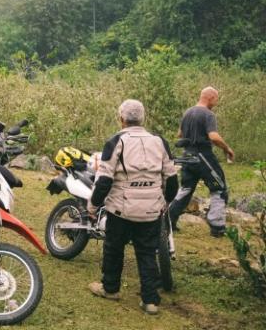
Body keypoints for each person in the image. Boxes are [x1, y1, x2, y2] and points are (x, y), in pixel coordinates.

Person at [87, 99, 178, 315]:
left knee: (113, 248)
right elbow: (173, 181)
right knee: (147, 252)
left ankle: (110, 289)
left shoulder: (116, 141)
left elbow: (104, 181)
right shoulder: (160, 142)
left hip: (121, 209)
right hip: (150, 211)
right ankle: (151, 301)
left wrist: (92, 206)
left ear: (121, 119)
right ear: (143, 118)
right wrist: (164, 203)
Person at [168, 87, 234, 237]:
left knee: (185, 189)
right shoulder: (208, 114)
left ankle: (168, 221)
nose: (216, 103)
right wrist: (227, 148)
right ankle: (218, 228)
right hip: (203, 155)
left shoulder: (188, 112)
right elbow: (214, 137)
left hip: (187, 155)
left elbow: (180, 134)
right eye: (216, 100)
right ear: (210, 97)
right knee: (219, 189)